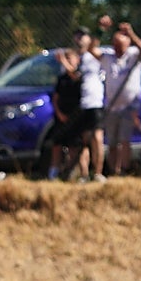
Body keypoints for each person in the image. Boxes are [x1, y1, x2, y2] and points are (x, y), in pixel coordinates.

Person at [99, 17, 141, 177]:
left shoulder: (134, 55)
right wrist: (101, 30)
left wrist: (131, 33)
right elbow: (93, 51)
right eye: (115, 44)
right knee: (112, 141)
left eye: (120, 44)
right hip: (112, 105)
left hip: (129, 106)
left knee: (125, 139)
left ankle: (125, 171)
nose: (117, 48)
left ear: (127, 44)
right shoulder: (109, 57)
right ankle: (114, 171)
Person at [70, 26, 106, 182]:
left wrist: (100, 30)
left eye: (82, 36)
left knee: (97, 138)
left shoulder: (93, 54)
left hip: (95, 102)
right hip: (81, 104)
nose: (79, 39)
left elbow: (93, 46)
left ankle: (98, 173)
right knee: (83, 140)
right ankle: (84, 174)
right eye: (77, 36)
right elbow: (74, 77)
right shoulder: (77, 58)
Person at [47, 49, 85, 180]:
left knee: (74, 146)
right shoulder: (61, 79)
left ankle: (76, 173)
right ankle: (53, 173)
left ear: (77, 60)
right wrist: (59, 113)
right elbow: (56, 98)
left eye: (70, 58)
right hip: (61, 117)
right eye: (66, 58)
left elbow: (74, 75)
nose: (67, 61)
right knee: (57, 144)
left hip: (75, 118)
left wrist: (62, 60)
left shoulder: (80, 76)